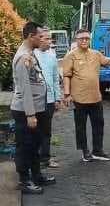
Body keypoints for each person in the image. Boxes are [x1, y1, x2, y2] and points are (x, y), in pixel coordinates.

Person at [10, 21, 56, 195]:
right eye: (39, 35)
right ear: (31, 36)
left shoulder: (30, 53)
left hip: (36, 108)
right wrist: (30, 114)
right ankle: (24, 180)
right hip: (25, 110)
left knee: (35, 144)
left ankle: (36, 176)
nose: (42, 39)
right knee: (25, 146)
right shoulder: (23, 57)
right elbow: (25, 89)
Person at [62, 29, 110, 162]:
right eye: (81, 38)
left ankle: (98, 151)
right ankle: (85, 151)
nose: (84, 40)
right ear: (76, 40)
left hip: (96, 98)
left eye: (87, 38)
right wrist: (67, 94)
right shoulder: (70, 56)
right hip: (79, 99)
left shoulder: (96, 54)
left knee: (99, 125)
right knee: (81, 127)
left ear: (90, 40)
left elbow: (109, 61)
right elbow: (66, 76)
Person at [34, 28, 62, 168]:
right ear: (39, 39)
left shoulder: (52, 55)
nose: (49, 41)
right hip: (35, 101)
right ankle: (34, 159)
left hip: (50, 100)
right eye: (46, 39)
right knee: (34, 131)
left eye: (50, 39)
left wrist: (57, 98)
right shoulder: (32, 55)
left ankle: (45, 158)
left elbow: (55, 78)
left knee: (46, 131)